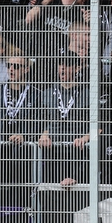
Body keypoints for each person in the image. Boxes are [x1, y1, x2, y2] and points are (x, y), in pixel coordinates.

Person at [37, 56, 91, 186]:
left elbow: (98, 126)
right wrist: (44, 134)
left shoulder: (88, 93)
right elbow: (41, 120)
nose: (62, 68)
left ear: (76, 68)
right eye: (60, 65)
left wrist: (85, 138)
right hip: (53, 155)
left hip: (78, 156)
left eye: (66, 65)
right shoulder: (47, 93)